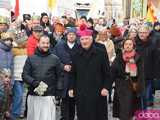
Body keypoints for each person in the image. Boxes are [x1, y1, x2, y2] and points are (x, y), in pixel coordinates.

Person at [69, 28, 111, 120]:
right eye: (82, 39)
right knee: (83, 115)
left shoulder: (101, 53)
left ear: (91, 39)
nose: (84, 41)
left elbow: (107, 73)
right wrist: (71, 88)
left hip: (98, 92)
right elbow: (73, 74)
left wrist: (106, 87)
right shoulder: (76, 54)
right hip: (82, 92)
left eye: (87, 39)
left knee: (98, 116)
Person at [22, 35, 61, 120]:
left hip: (49, 96)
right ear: (38, 44)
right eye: (43, 43)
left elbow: (60, 76)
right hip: (33, 95)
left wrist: (58, 93)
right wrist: (34, 83)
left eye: (47, 43)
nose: (45, 45)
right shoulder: (31, 58)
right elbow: (24, 75)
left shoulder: (55, 59)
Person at [111, 39, 145, 120]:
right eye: (126, 44)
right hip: (121, 85)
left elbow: (141, 72)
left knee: (131, 106)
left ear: (133, 46)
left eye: (130, 44)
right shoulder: (119, 56)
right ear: (123, 46)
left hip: (133, 84)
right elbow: (113, 70)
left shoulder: (138, 56)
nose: (128, 46)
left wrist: (141, 87)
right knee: (123, 106)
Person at [53, 27, 78, 120]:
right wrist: (63, 66)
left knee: (73, 100)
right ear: (66, 36)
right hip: (64, 77)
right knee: (65, 99)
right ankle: (64, 117)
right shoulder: (59, 46)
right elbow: (55, 60)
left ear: (76, 36)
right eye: (69, 35)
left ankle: (71, 117)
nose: (71, 36)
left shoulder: (79, 46)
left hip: (75, 77)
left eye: (73, 35)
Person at [0, 32, 14, 119]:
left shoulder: (11, 51)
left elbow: (12, 66)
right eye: (6, 40)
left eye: (10, 40)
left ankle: (4, 114)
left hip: (8, 79)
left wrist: (10, 79)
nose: (8, 42)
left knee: (7, 99)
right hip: (1, 78)